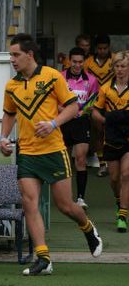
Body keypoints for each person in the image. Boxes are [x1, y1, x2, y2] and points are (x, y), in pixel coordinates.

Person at [0, 33, 103, 276]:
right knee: (29, 203)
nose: (12, 59)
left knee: (65, 206)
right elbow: (8, 113)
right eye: (10, 55)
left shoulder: (52, 76)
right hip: (27, 153)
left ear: (29, 55)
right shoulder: (11, 85)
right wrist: (3, 138)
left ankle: (88, 229)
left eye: (16, 55)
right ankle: (43, 258)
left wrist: (53, 124)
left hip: (54, 151)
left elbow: (73, 106)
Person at [92, 51, 129, 233]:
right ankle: (119, 201)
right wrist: (106, 120)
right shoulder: (105, 88)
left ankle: (122, 215)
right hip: (111, 139)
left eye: (123, 66)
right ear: (113, 68)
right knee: (114, 179)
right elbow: (95, 112)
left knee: (126, 175)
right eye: (117, 66)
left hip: (128, 139)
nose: (120, 70)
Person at [60, 47, 99, 209]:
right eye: (74, 61)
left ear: (84, 62)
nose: (77, 65)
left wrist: (82, 111)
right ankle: (65, 197)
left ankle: (81, 198)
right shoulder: (60, 77)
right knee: (65, 161)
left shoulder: (91, 80)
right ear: (69, 60)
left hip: (82, 122)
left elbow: (93, 101)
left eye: (80, 62)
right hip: (63, 121)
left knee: (81, 160)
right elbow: (54, 99)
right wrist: (66, 112)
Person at [84, 34, 114, 177]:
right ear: (96, 48)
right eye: (100, 48)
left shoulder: (115, 60)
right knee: (98, 132)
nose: (102, 51)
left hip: (113, 101)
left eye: (105, 48)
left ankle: (115, 162)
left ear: (109, 47)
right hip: (95, 102)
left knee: (114, 132)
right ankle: (102, 164)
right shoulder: (88, 62)